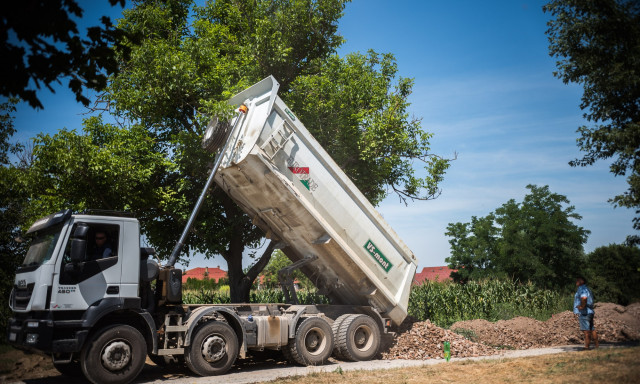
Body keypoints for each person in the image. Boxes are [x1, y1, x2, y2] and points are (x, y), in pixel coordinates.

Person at [574, 276, 598, 350]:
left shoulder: (582, 289)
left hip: (585, 312)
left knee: (586, 331)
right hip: (590, 311)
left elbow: (584, 298)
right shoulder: (587, 289)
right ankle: (597, 346)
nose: (576, 282)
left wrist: (582, 306)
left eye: (578, 280)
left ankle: (586, 347)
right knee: (592, 329)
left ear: (582, 281)